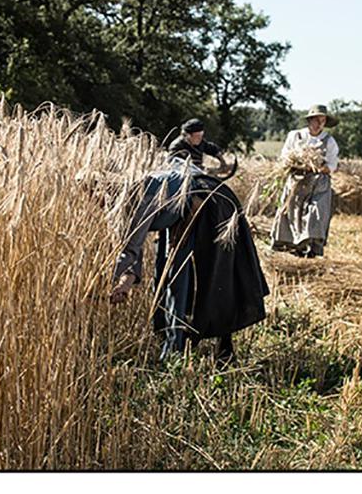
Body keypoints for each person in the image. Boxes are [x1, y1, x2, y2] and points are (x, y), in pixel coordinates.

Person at [110, 118, 268, 362]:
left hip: (207, 205)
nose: (95, 202)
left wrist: (124, 282)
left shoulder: (135, 196)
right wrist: (125, 281)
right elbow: (133, 245)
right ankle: (180, 341)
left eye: (95, 194)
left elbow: (132, 244)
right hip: (197, 203)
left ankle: (181, 349)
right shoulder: (139, 188)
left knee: (198, 276)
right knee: (178, 270)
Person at [270, 104, 340, 258]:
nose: (319, 124)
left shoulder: (329, 141)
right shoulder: (295, 136)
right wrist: (298, 163)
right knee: (291, 212)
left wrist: (316, 167)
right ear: (309, 120)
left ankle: (313, 249)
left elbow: (332, 166)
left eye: (322, 120)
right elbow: (285, 157)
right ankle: (289, 247)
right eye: (316, 120)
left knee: (317, 213)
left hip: (319, 182)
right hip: (297, 180)